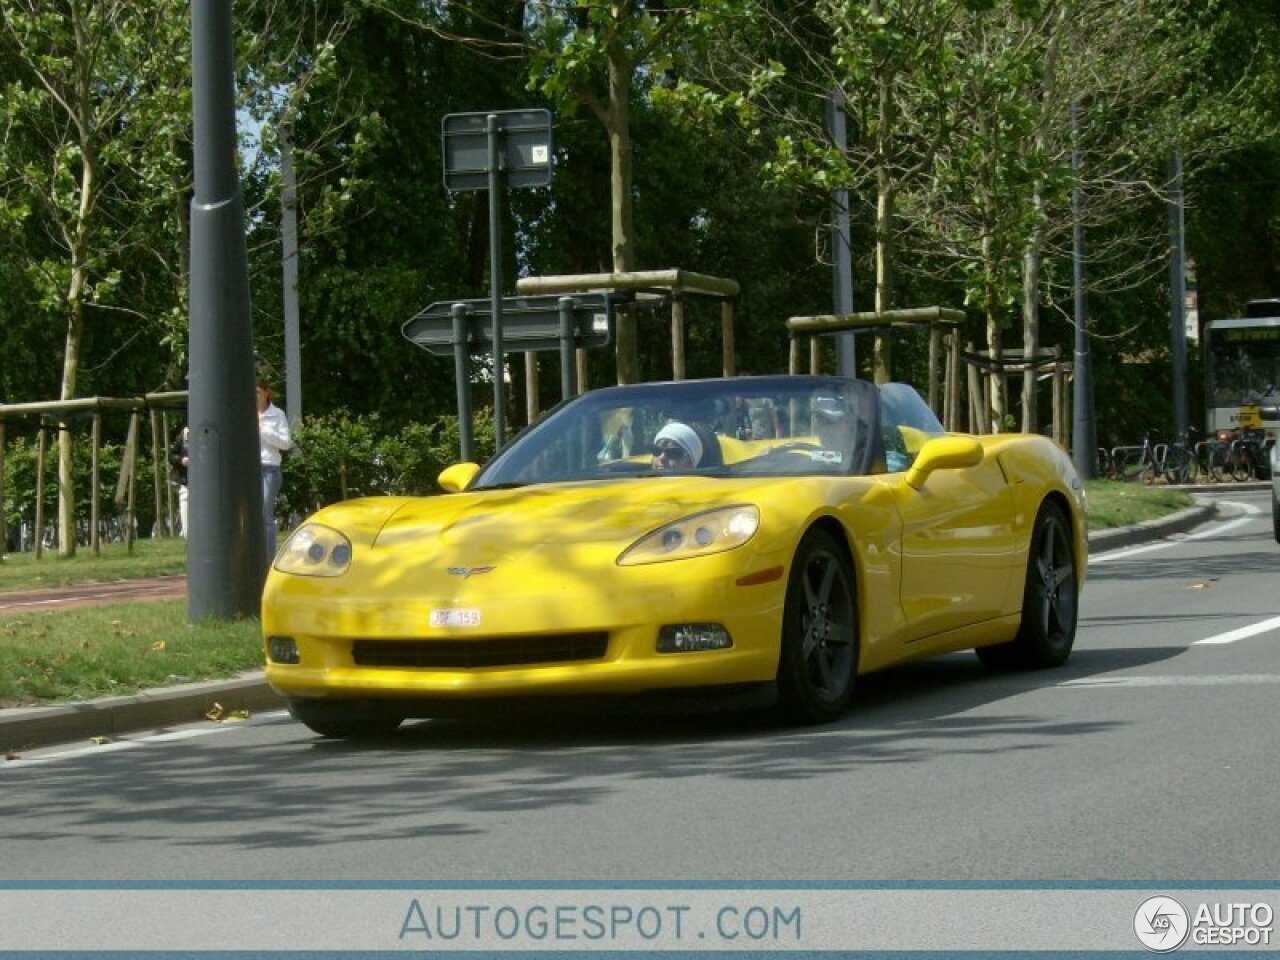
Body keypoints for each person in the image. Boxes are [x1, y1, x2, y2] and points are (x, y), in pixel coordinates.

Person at [257, 378, 293, 558]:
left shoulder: (277, 414)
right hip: (248, 471)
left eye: (256, 392)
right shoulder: (243, 413)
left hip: (268, 469)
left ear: (266, 393)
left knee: (264, 514)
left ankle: (268, 558)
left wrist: (263, 430)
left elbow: (286, 444)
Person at [812, 395, 858, 466]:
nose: (823, 430)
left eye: (831, 421)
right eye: (820, 421)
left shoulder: (865, 459)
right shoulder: (812, 458)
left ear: (850, 423)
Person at [168, 425, 190, 538]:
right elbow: (171, 456)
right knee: (185, 502)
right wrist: (181, 460)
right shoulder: (183, 436)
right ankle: (187, 536)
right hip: (186, 482)